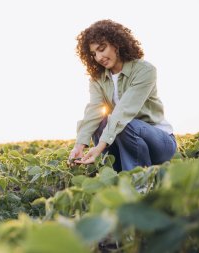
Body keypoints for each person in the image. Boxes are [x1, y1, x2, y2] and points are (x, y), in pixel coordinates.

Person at [68, 19, 177, 171]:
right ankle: (117, 173)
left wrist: (99, 147)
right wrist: (79, 146)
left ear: (116, 44)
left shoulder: (145, 70)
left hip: (159, 143)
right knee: (101, 121)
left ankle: (139, 181)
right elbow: (94, 110)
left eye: (102, 49)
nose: (99, 58)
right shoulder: (97, 79)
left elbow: (124, 111)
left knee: (124, 122)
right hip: (125, 141)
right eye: (94, 54)